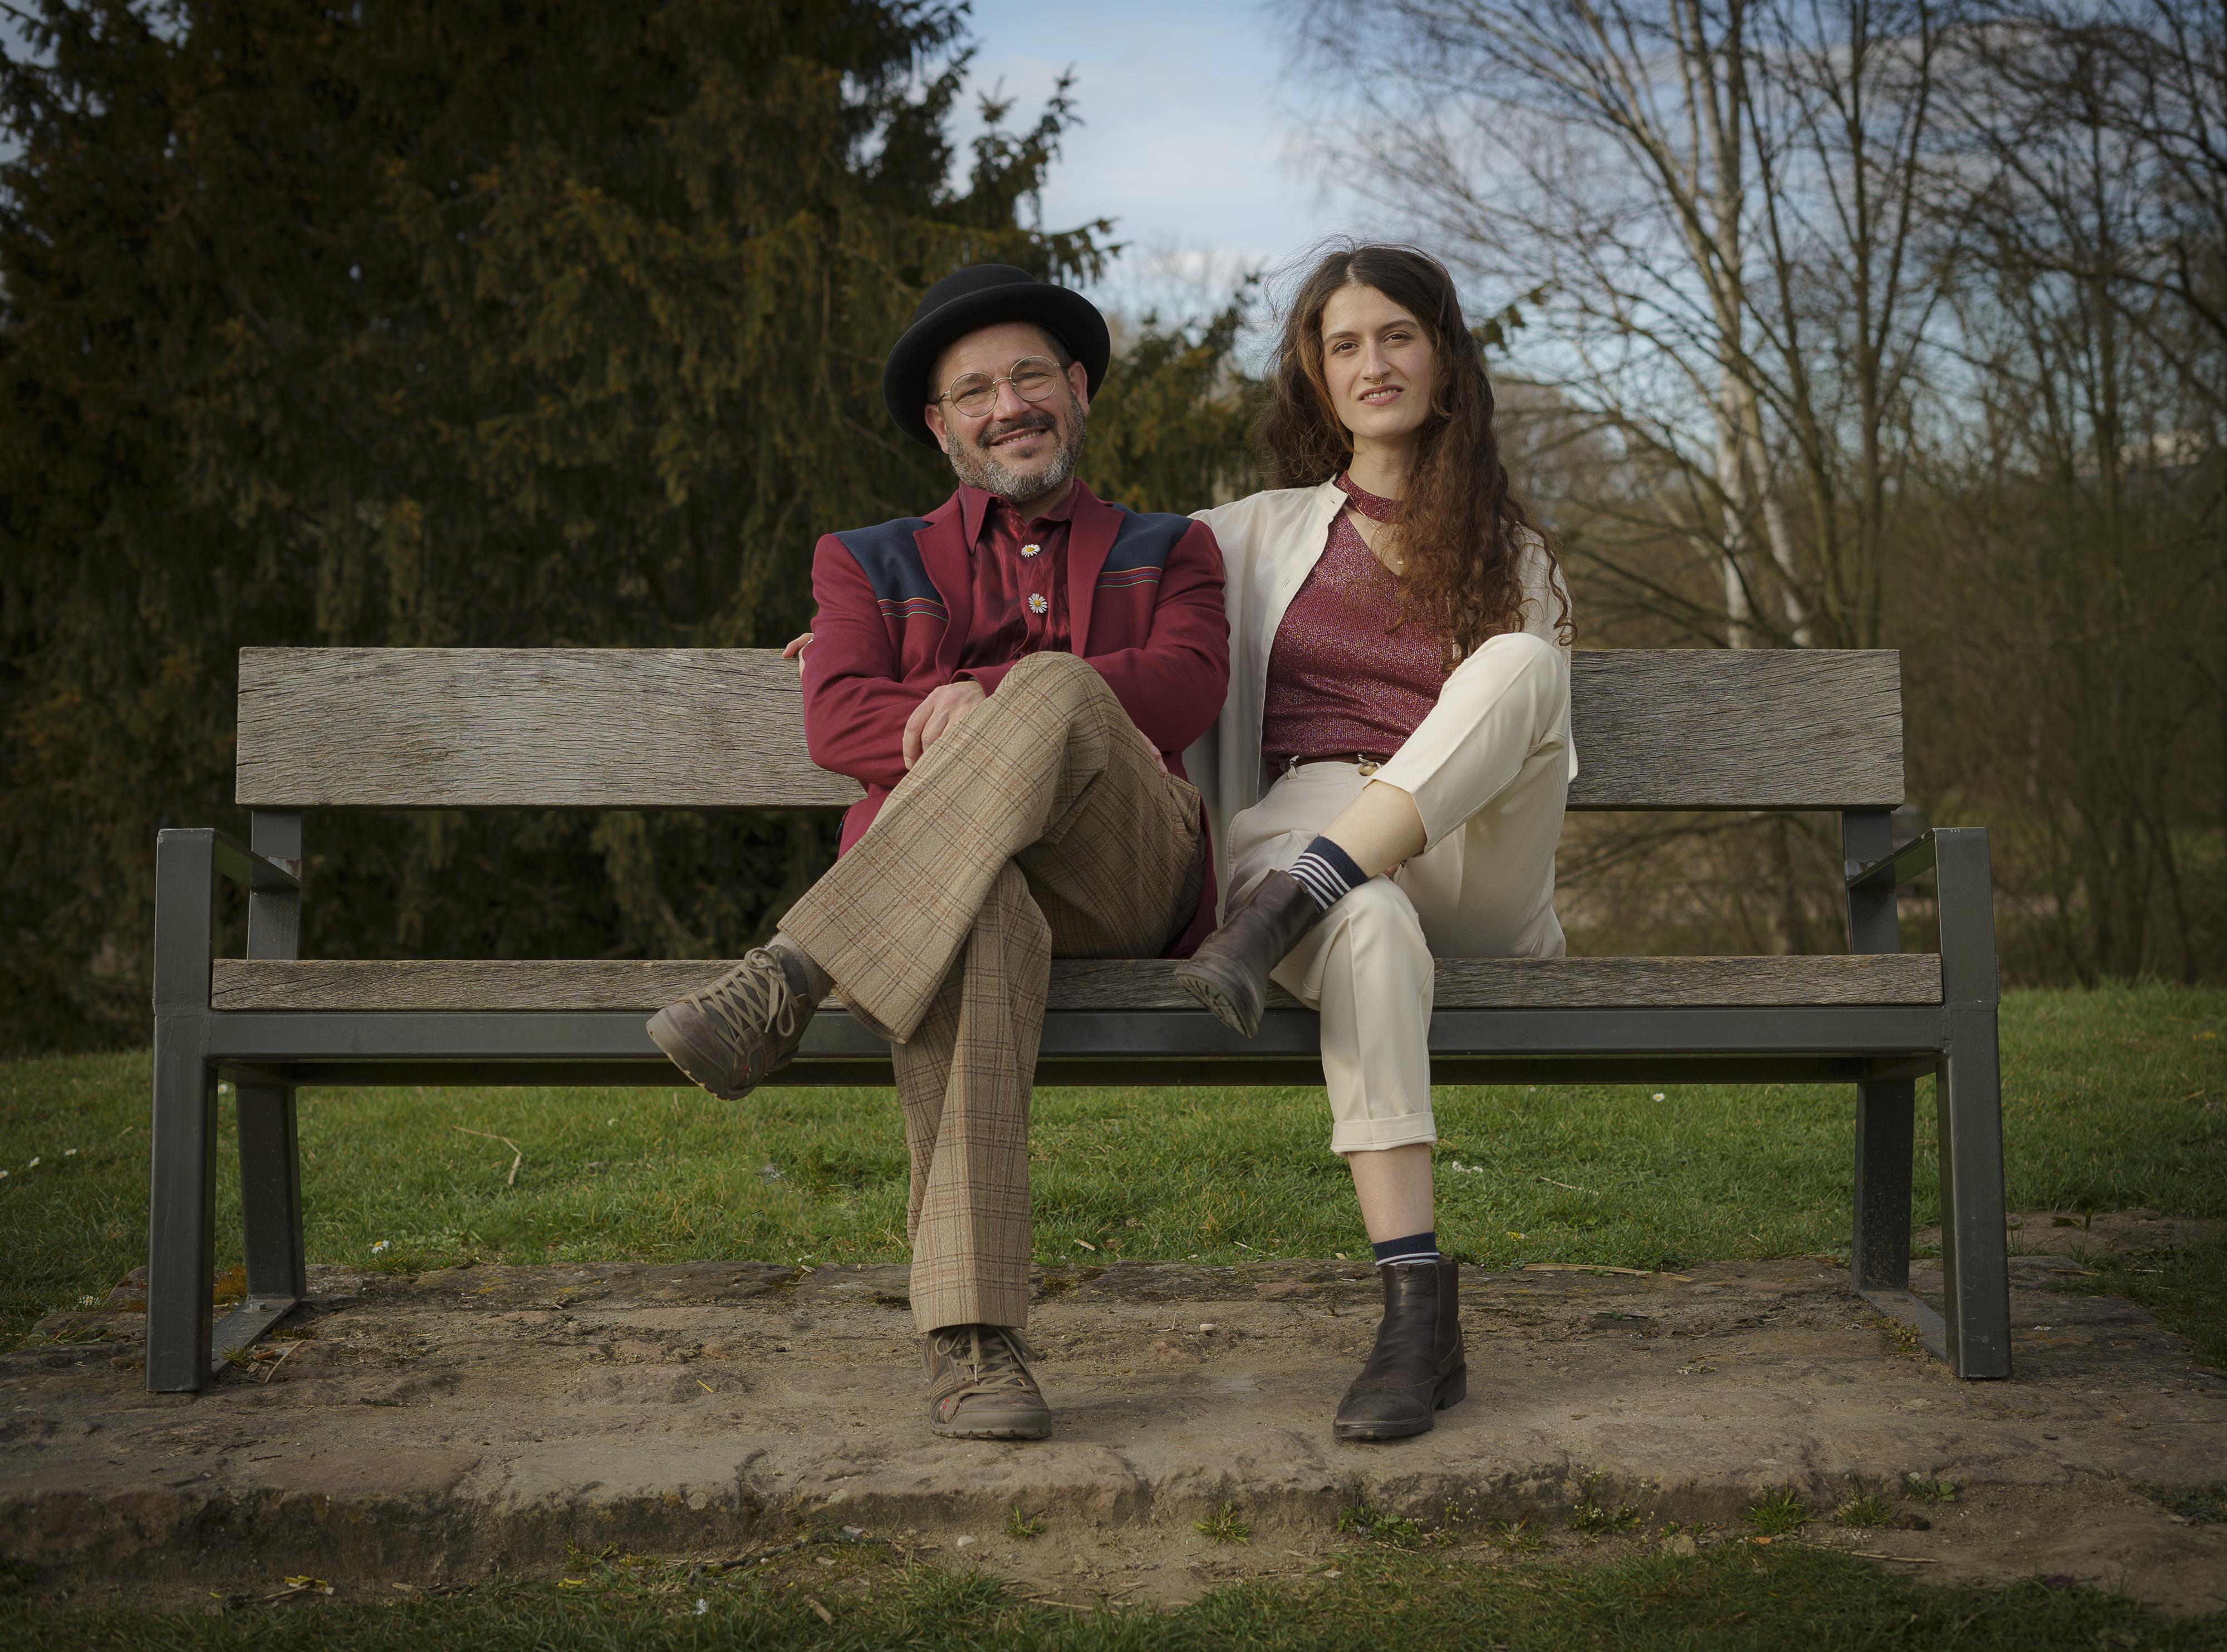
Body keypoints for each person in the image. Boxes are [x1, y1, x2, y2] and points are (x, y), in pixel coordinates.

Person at [646, 264, 1229, 1442]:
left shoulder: (1172, 546)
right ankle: (973, 1344)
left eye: (1029, 377)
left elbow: (1182, 687)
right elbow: (836, 720)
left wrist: (989, 693)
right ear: (939, 424)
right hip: (952, 895)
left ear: (1077, 390)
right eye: (974, 392)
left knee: (1060, 688)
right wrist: (980, 706)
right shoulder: (866, 559)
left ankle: (797, 968)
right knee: (980, 906)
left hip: (1127, 871)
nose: (1007, 406)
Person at [1175, 243, 1575, 1442]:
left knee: (1522, 662)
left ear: (1443, 356)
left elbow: (1522, 729)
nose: (1372, 363)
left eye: (1396, 335)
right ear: (1315, 374)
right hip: (1305, 820)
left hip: (1469, 860)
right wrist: (887, 644)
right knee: (1367, 922)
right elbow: (1078, 597)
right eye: (1342, 343)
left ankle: (1297, 898)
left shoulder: (1516, 552)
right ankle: (1415, 1320)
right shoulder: (1240, 535)